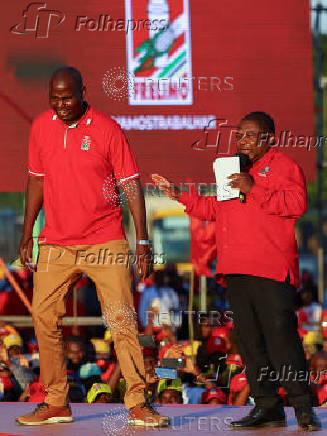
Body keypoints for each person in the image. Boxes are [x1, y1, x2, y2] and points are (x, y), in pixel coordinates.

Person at [16, 67, 169, 427]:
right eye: (54, 98)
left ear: (83, 92)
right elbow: (36, 181)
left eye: (67, 97)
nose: (61, 104)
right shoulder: (41, 126)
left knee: (120, 319)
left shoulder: (107, 128)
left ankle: (137, 402)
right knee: (43, 315)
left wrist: (142, 240)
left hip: (105, 238)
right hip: (55, 241)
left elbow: (131, 185)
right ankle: (56, 401)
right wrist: (27, 233)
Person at [151, 111, 321, 431]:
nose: (242, 141)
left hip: (271, 270)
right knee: (250, 343)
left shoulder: (284, 166)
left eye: (249, 135)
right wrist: (179, 194)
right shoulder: (234, 170)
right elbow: (216, 208)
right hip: (236, 270)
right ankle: (267, 407)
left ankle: (303, 407)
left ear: (269, 138)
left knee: (282, 341)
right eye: (240, 135)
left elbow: (295, 205)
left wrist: (253, 186)